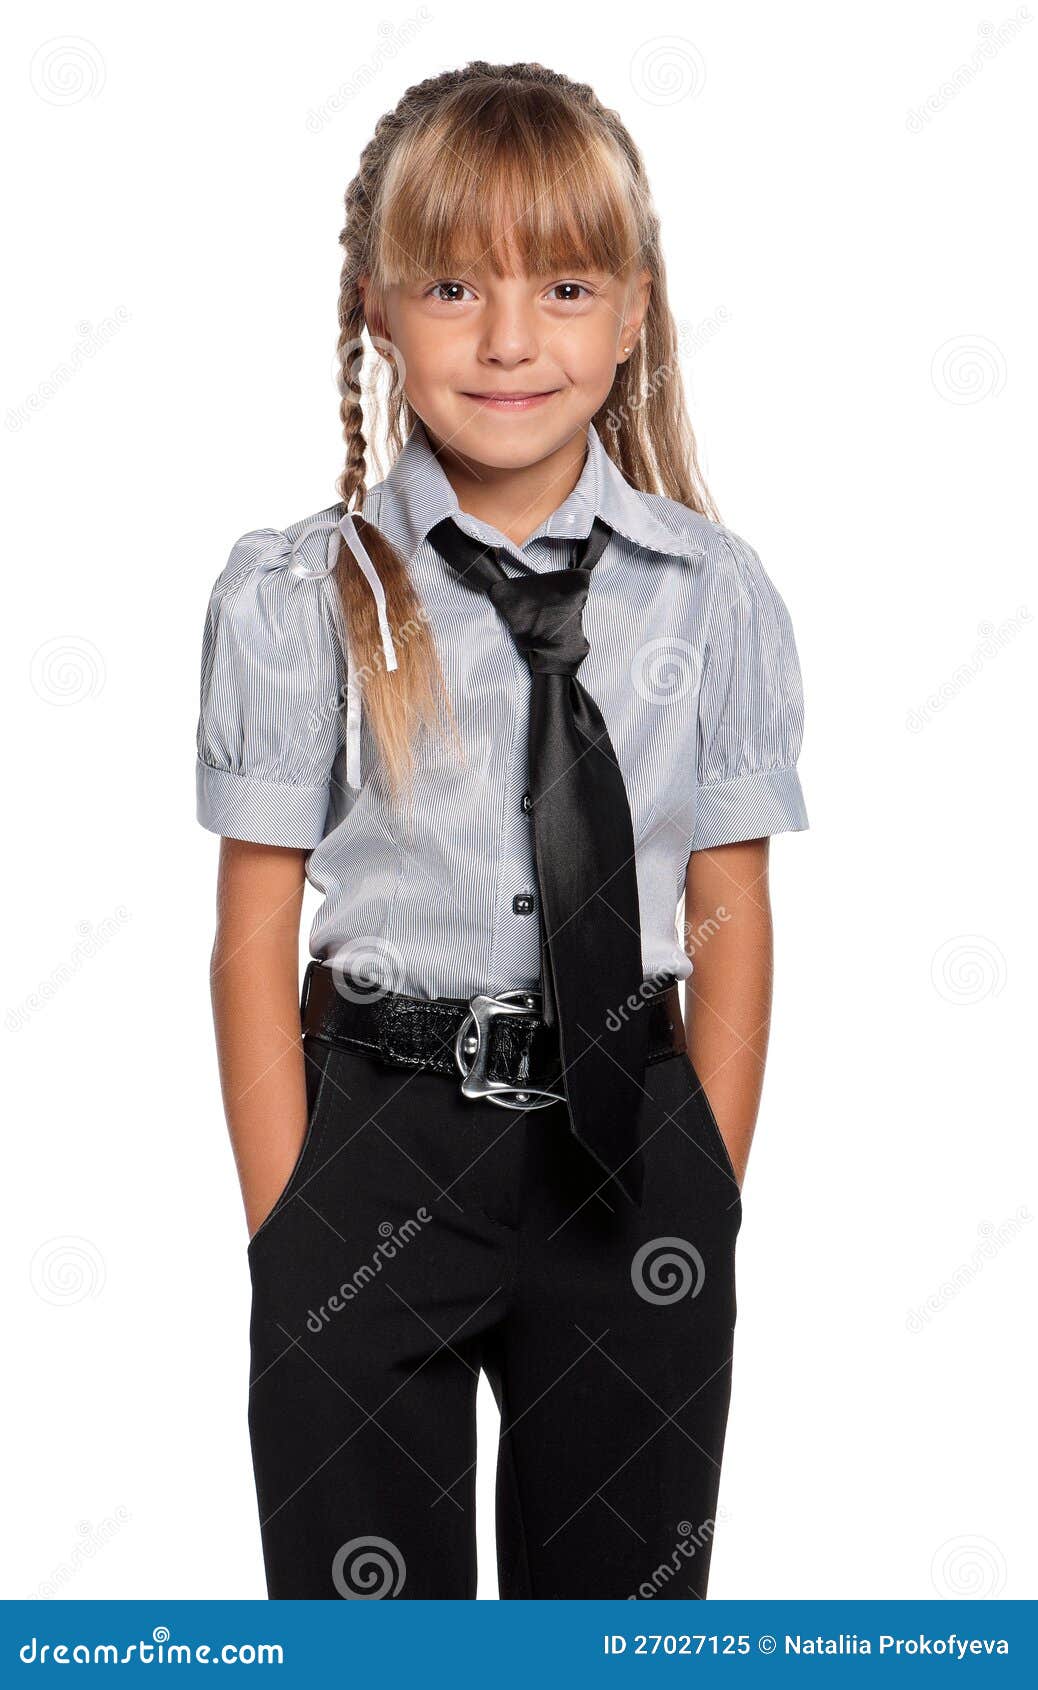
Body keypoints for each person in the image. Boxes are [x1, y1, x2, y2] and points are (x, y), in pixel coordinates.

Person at [195, 60, 808, 1600]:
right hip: (375, 1135)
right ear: (376, 312)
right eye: (454, 284)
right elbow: (251, 932)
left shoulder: (711, 592)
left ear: (635, 310)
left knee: (614, 1624)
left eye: (565, 282)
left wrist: (704, 1179)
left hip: (632, 1146)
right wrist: (292, 1227)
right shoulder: (295, 597)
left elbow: (729, 910)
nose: (513, 338)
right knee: (368, 1632)